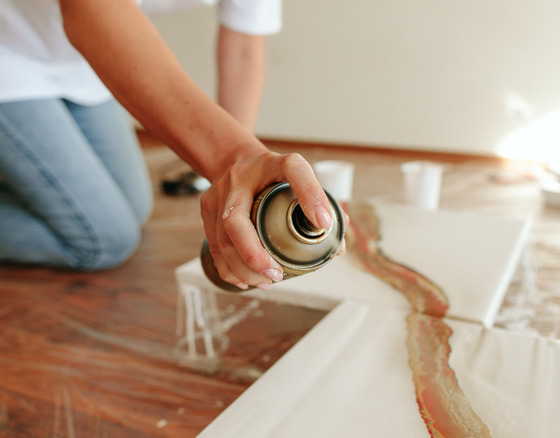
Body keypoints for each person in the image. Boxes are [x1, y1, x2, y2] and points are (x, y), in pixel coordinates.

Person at [0, 0, 334, 291]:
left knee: (134, 207)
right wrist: (232, 156)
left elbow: (243, 48)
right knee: (102, 241)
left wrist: (236, 182)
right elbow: (93, 9)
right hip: (10, 49)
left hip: (73, 60)